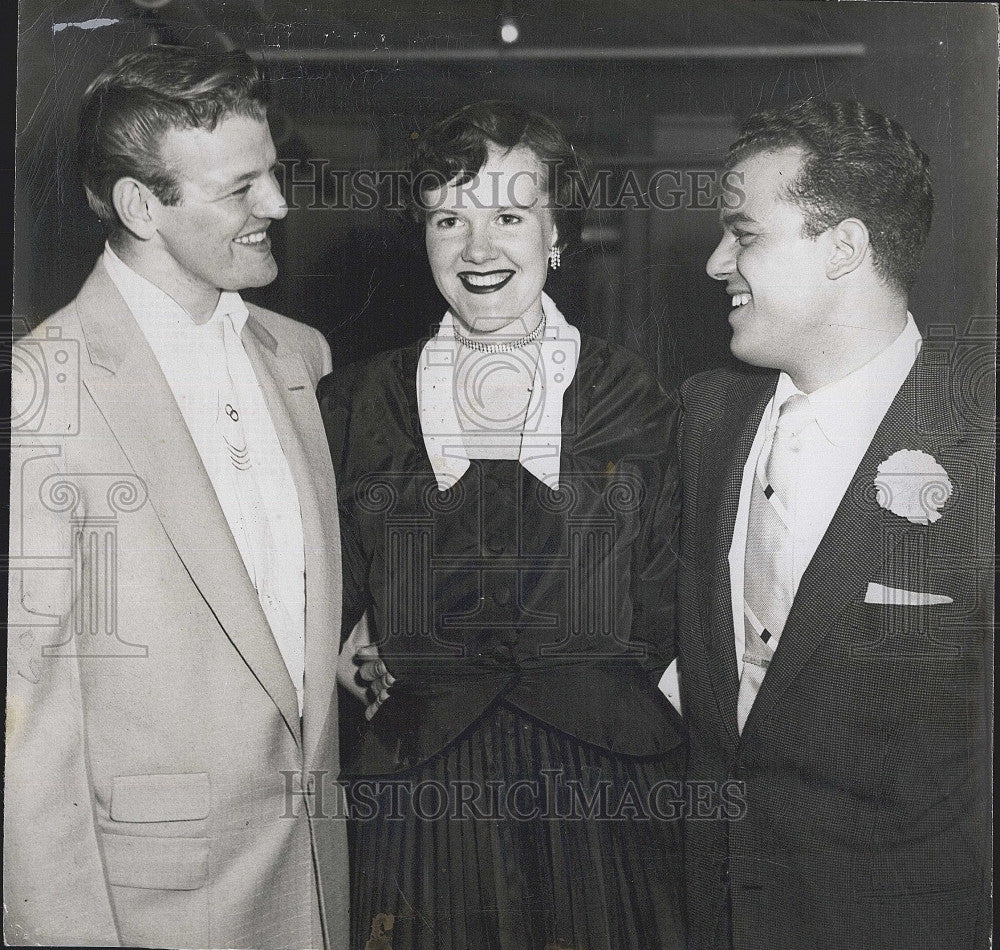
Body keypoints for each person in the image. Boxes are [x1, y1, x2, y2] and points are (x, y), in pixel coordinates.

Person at [320, 101, 685, 949]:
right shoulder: (355, 402)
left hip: (603, 802)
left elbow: (674, 601)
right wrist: (360, 660)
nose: (478, 249)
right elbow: (324, 599)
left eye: (510, 217)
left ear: (558, 236)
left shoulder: (638, 399)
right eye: (450, 218)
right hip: (419, 801)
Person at [6, 45, 348, 948]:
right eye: (242, 189)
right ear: (138, 206)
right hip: (151, 912)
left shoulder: (301, 357)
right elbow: (24, 724)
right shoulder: (42, 391)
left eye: (274, 174)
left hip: (313, 891)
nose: (277, 205)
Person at [676, 98, 992, 949]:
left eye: (743, 235)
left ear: (845, 247)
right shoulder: (703, 418)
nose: (715, 263)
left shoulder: (982, 439)